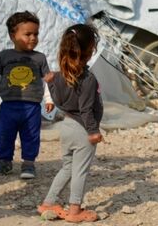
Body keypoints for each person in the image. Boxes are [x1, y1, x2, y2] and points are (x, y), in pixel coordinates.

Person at [38, 24, 103, 223]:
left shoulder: (58, 76)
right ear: (90, 51)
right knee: (80, 171)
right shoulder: (88, 79)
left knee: (67, 168)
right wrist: (93, 131)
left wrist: (50, 82)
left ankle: (48, 203)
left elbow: (57, 101)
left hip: (65, 126)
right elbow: (85, 110)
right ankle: (75, 211)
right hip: (82, 130)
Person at [0, 11, 54, 179]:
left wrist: (49, 99)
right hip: (9, 105)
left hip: (32, 107)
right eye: (27, 34)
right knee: (4, 134)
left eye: (36, 34)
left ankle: (29, 164)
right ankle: (4, 162)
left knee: (31, 135)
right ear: (12, 36)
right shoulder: (4, 56)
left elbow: (46, 81)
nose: (33, 38)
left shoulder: (39, 58)